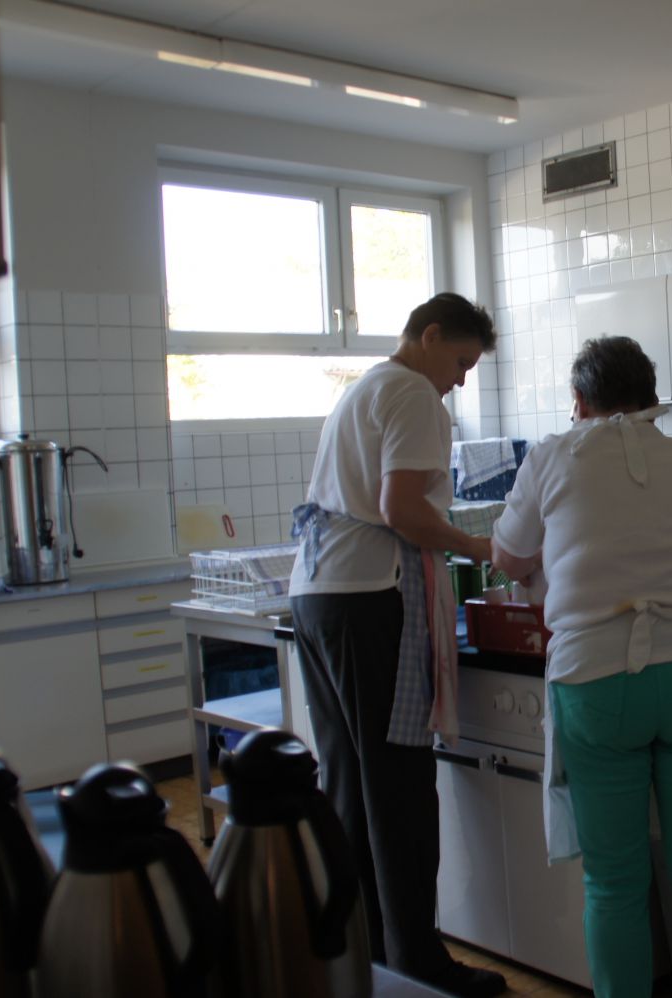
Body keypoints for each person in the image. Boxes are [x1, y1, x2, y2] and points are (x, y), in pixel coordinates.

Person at [490, 336, 672, 998]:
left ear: (579, 402)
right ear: (651, 397)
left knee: (613, 882)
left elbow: (506, 557)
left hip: (596, 680)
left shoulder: (552, 457)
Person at [288, 292, 505, 998]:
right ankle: (420, 963)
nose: (460, 381)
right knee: (399, 787)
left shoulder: (366, 388)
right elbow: (403, 510)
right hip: (370, 597)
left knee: (350, 783)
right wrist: (480, 546)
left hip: (319, 592)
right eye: (461, 362)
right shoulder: (413, 393)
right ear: (430, 336)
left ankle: (369, 952)